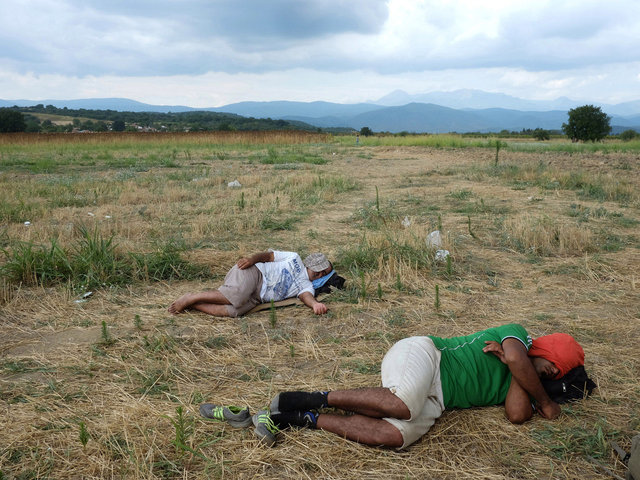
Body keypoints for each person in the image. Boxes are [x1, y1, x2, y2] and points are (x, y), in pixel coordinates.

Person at [246, 324, 586, 448]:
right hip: (426, 355)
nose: (553, 372)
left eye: (557, 374)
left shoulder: (521, 373)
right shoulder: (517, 333)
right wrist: (547, 404)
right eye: (553, 365)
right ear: (547, 349)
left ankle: (301, 417)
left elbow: (515, 416)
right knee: (405, 404)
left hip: (439, 399)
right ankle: (308, 397)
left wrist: (520, 373)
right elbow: (516, 355)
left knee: (395, 436)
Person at [168, 251, 332, 317]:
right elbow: (268, 256)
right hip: (255, 274)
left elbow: (307, 297)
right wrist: (251, 259)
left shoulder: (307, 286)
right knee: (238, 297)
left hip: (258, 297)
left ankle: (194, 304)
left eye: (324, 273)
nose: (320, 274)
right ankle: (192, 297)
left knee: (234, 311)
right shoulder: (294, 258)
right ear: (312, 264)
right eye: (321, 270)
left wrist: (315, 305)